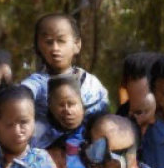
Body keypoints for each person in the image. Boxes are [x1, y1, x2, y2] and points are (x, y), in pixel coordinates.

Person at [21, 13, 109, 142]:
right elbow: (19, 97)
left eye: (61, 41)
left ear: (77, 44)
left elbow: (103, 120)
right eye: (48, 42)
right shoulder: (35, 84)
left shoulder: (91, 85)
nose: (55, 48)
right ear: (38, 47)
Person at [38, 75, 88, 168]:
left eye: (72, 104)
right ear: (51, 108)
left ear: (82, 105)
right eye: (61, 105)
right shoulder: (43, 141)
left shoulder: (95, 132)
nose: (67, 111)